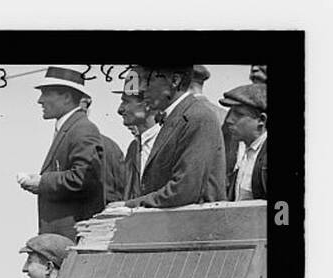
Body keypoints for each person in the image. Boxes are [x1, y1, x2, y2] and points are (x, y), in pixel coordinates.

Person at [111, 64, 226, 209]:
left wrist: (128, 205)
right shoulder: (176, 118)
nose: (141, 88)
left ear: (175, 80)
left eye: (148, 80)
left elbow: (184, 191)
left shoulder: (197, 117)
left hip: (197, 226)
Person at [17, 66, 104, 241]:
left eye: (46, 94)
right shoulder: (71, 128)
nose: (40, 101)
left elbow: (83, 178)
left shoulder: (82, 129)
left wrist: (42, 182)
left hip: (72, 237)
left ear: (66, 97)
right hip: (64, 237)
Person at [219, 83, 267, 201]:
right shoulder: (246, 152)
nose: (229, 120)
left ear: (261, 120)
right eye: (230, 113)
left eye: (239, 114)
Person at [114, 88, 160, 201]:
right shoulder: (133, 148)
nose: (120, 110)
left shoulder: (173, 141)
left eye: (126, 101)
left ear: (147, 105)